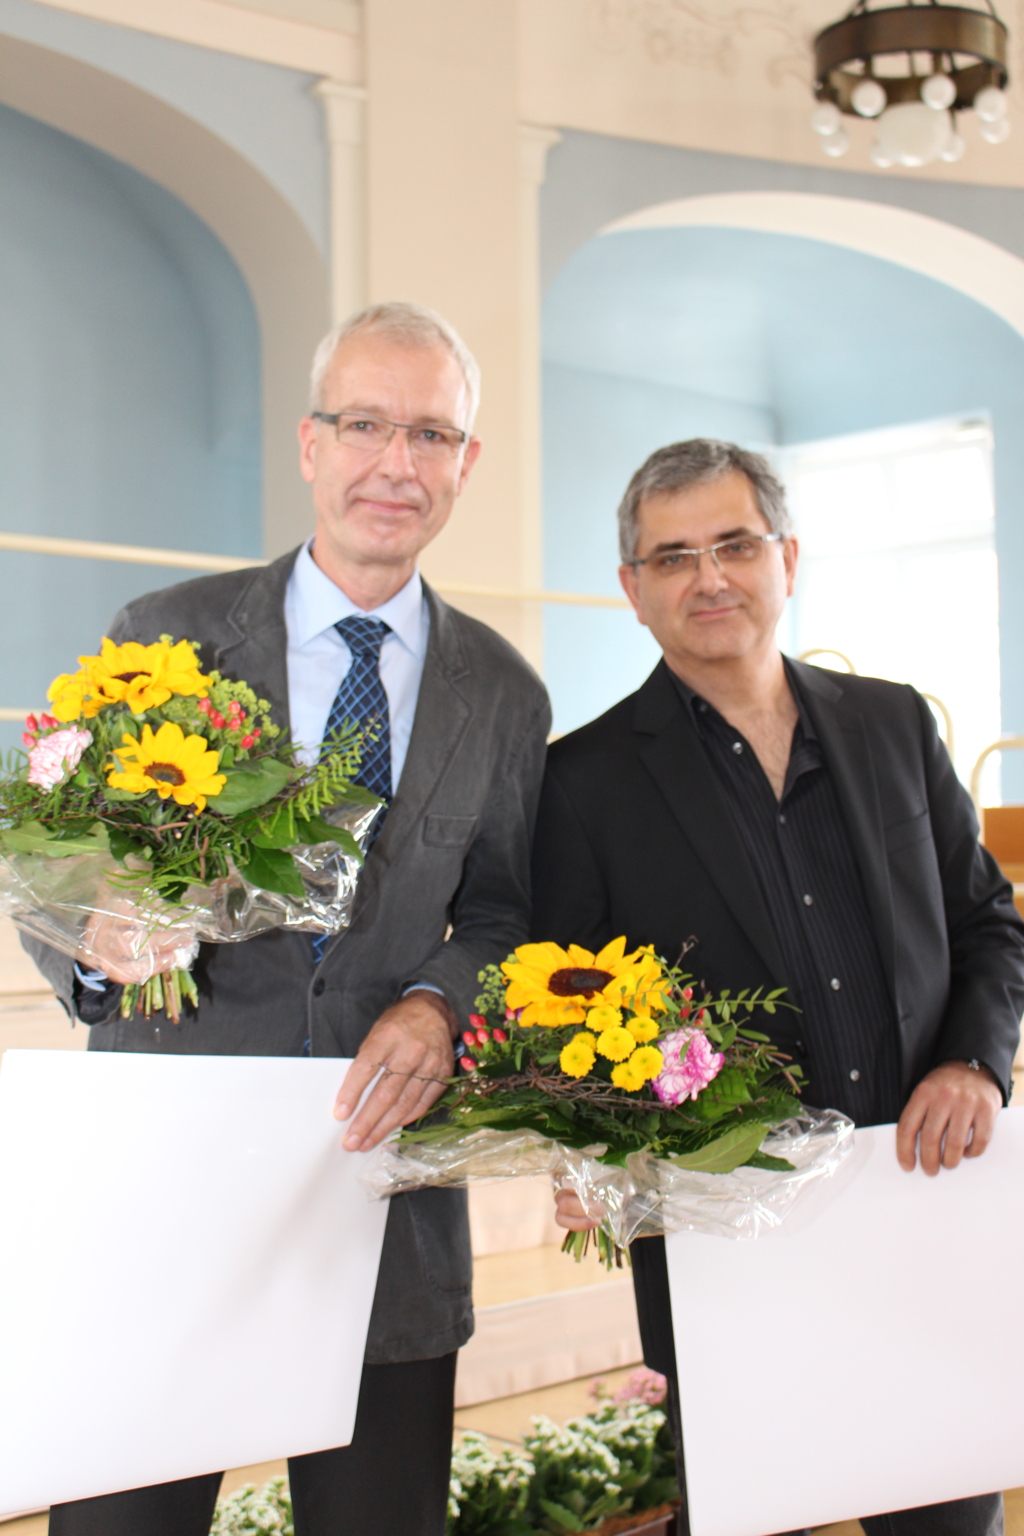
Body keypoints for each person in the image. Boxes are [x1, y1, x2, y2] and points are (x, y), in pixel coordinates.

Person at [24, 302, 551, 1536]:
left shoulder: (505, 692)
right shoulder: (164, 634)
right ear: (310, 443)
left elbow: (507, 915)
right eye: (364, 424)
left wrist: (441, 1003)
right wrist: (96, 938)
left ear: (466, 463)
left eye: (430, 434)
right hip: (168, 1182)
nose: (394, 463)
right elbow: (60, 853)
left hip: (383, 1187)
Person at [530, 438, 1024, 1536]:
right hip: (723, 1247)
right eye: (673, 558)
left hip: (920, 1204)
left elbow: (988, 923)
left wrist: (973, 1063)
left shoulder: (896, 724)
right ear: (633, 590)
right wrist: (590, 1147)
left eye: (735, 545)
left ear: (786, 558)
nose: (709, 578)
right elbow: (560, 1016)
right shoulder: (580, 782)